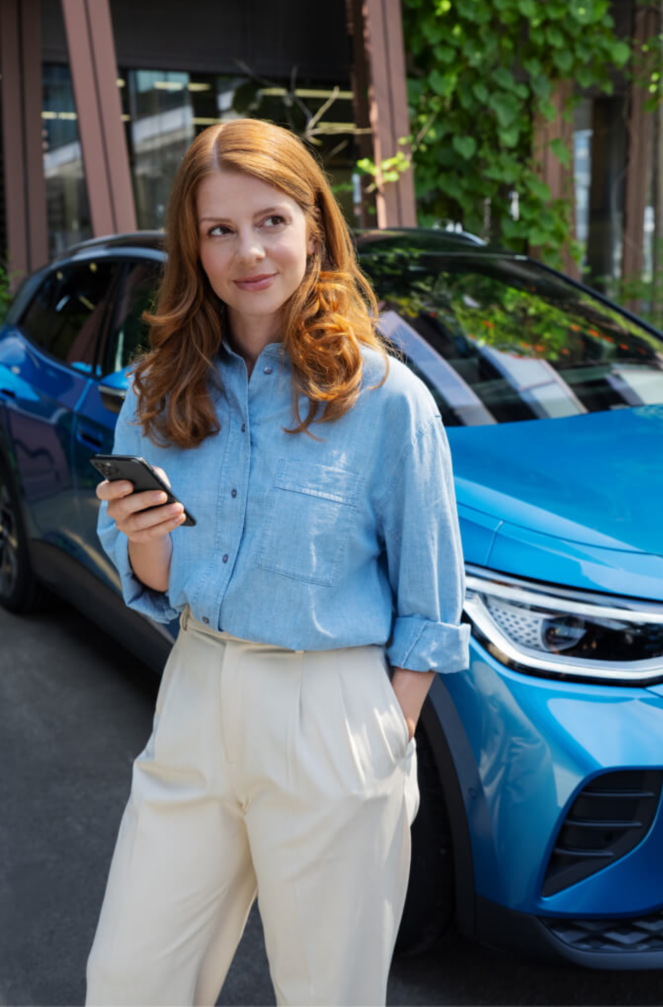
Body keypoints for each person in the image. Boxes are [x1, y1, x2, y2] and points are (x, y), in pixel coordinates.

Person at [84, 117, 470, 1007]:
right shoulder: (156, 391)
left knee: (327, 993)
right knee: (130, 981)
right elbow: (149, 582)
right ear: (193, 247)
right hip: (197, 688)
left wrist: (380, 735)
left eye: (269, 221)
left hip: (331, 708)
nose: (247, 251)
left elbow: (431, 603)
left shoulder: (385, 398)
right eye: (219, 230)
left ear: (313, 227)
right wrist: (145, 535)